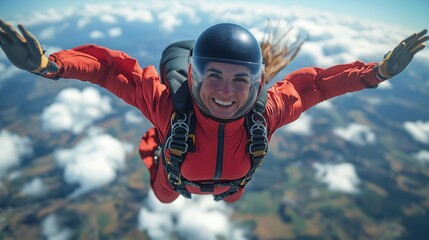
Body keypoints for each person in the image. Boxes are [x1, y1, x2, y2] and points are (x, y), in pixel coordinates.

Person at [0, 19, 428, 203]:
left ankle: (202, 181)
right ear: (193, 74)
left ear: (258, 83)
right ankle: (153, 151)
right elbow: (112, 70)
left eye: (241, 79)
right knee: (165, 197)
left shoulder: (267, 112)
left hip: (232, 183)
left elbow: (315, 85)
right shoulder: (171, 107)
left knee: (232, 194)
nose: (226, 91)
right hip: (173, 179)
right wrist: (50, 66)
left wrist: (377, 73)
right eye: (213, 75)